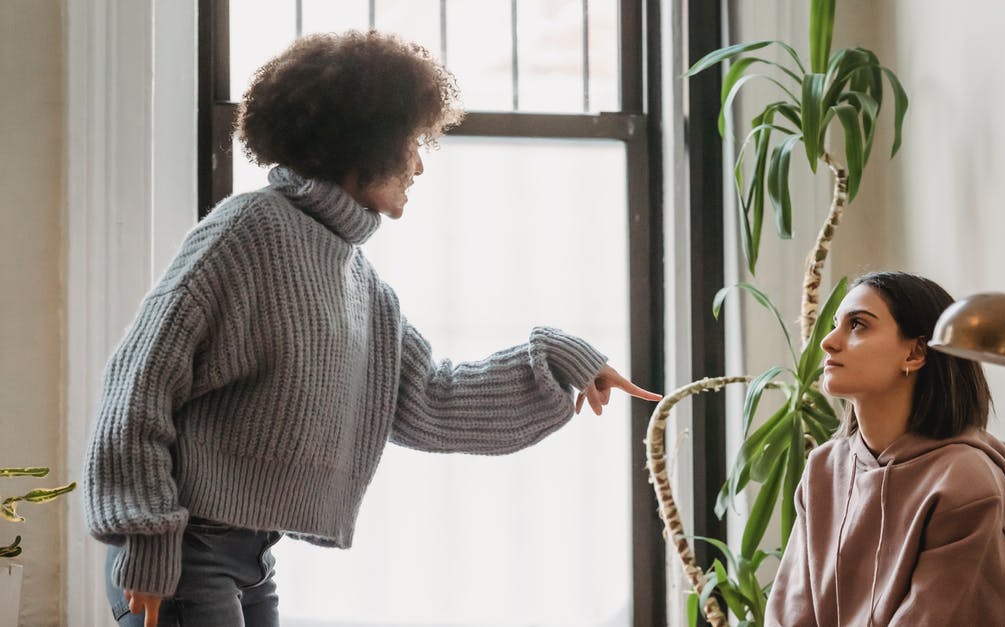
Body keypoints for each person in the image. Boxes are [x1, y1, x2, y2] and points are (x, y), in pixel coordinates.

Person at [82, 31, 660, 627]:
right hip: (183, 553)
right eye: (412, 142)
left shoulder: (359, 279)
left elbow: (431, 398)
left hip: (251, 554)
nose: (418, 163)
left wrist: (560, 357)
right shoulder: (245, 231)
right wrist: (146, 541)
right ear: (362, 142)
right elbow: (136, 388)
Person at [765, 271, 1005, 626]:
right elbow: (788, 615)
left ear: (915, 352)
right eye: (836, 325)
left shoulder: (965, 485)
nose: (828, 342)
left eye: (858, 325)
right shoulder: (825, 469)